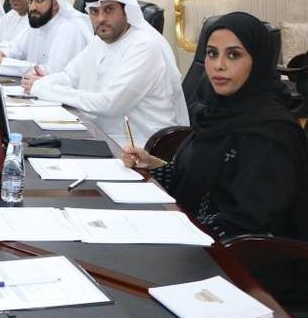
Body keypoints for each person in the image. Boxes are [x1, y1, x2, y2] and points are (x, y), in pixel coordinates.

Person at [123, 12, 307, 240]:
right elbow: (198, 178)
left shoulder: (272, 132)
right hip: (191, 236)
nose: (219, 65)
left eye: (233, 55)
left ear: (258, 61)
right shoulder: (215, 113)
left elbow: (248, 222)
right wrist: (152, 164)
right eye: (212, 53)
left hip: (238, 255)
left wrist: (175, 230)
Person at [28, 0, 189, 147]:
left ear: (126, 11)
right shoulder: (99, 41)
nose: (101, 19)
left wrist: (43, 89)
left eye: (109, 9)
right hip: (100, 134)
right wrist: (41, 84)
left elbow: (108, 104)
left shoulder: (144, 46)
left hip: (140, 145)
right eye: (94, 11)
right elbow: (69, 76)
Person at [0, 0, 91, 75]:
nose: (33, 7)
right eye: (30, 1)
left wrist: (4, 63)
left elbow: (52, 71)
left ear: (55, 4)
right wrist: (2, 54)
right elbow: (15, 49)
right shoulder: (37, 24)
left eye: (39, 0)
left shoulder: (69, 30)